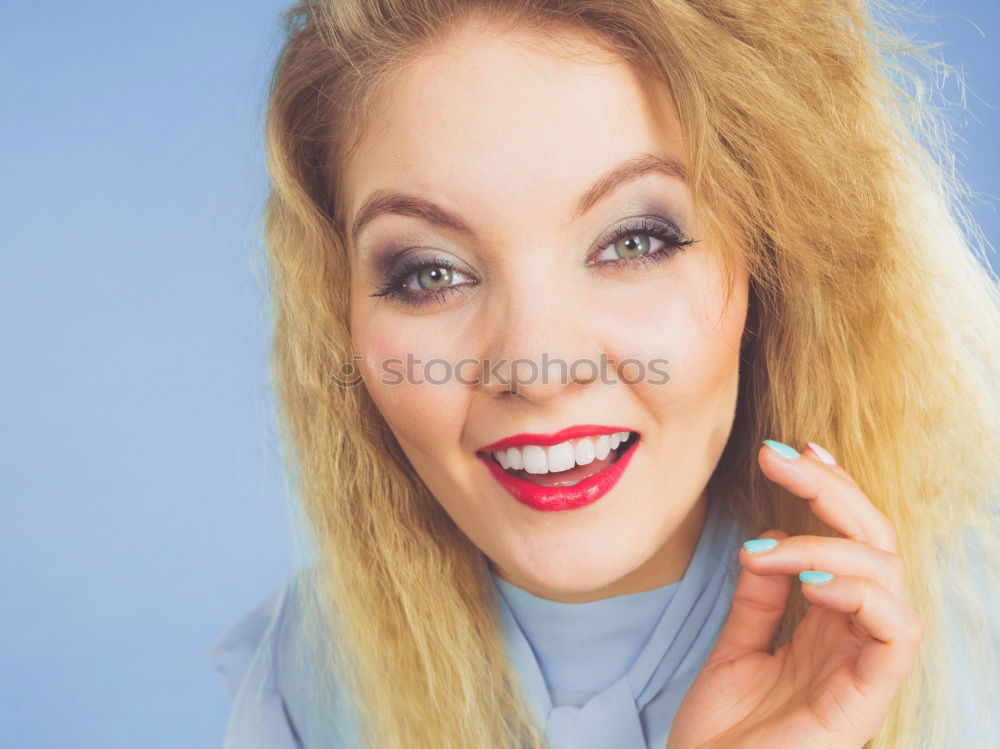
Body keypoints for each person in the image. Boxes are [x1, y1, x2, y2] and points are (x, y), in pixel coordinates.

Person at [208, 1, 1000, 747]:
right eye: (429, 273)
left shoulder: (974, 638)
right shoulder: (306, 684)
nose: (536, 367)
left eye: (633, 241)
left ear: (774, 257)